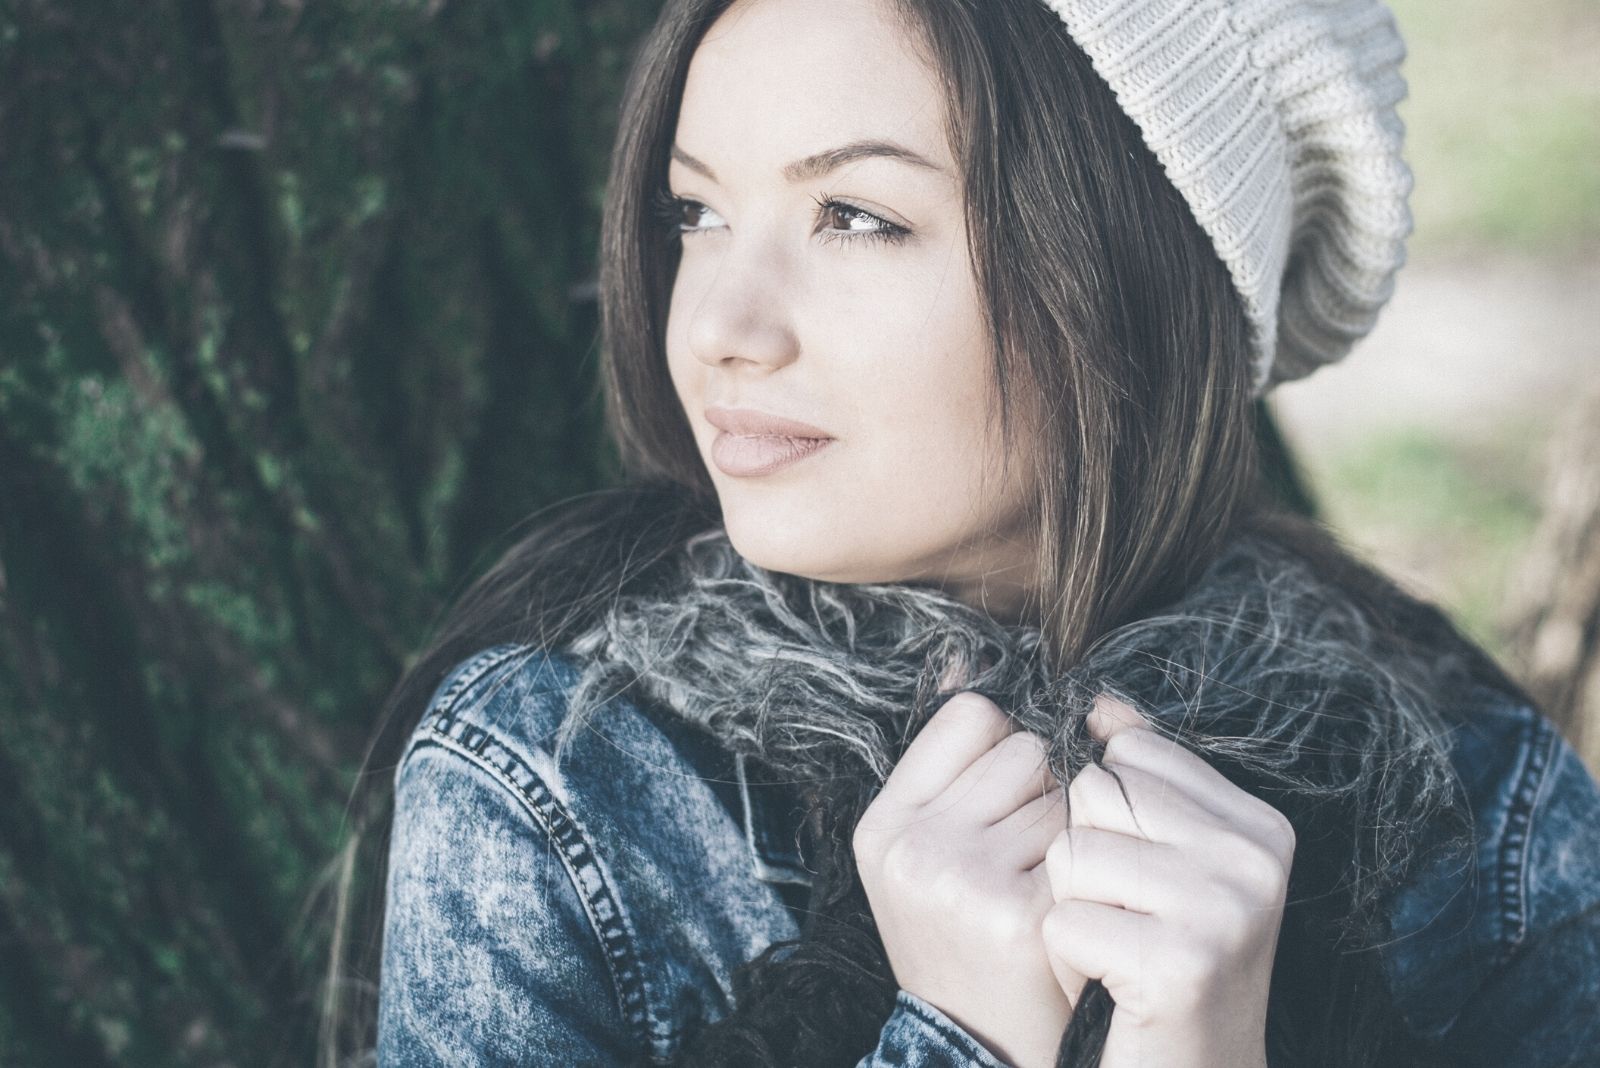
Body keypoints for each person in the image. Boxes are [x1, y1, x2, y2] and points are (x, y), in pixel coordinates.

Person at [329, 0, 1600, 1064]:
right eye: (694, 212)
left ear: (1129, 283)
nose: (722, 324)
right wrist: (960, 1034)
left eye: (856, 218)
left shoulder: (1466, 797)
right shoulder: (559, 772)